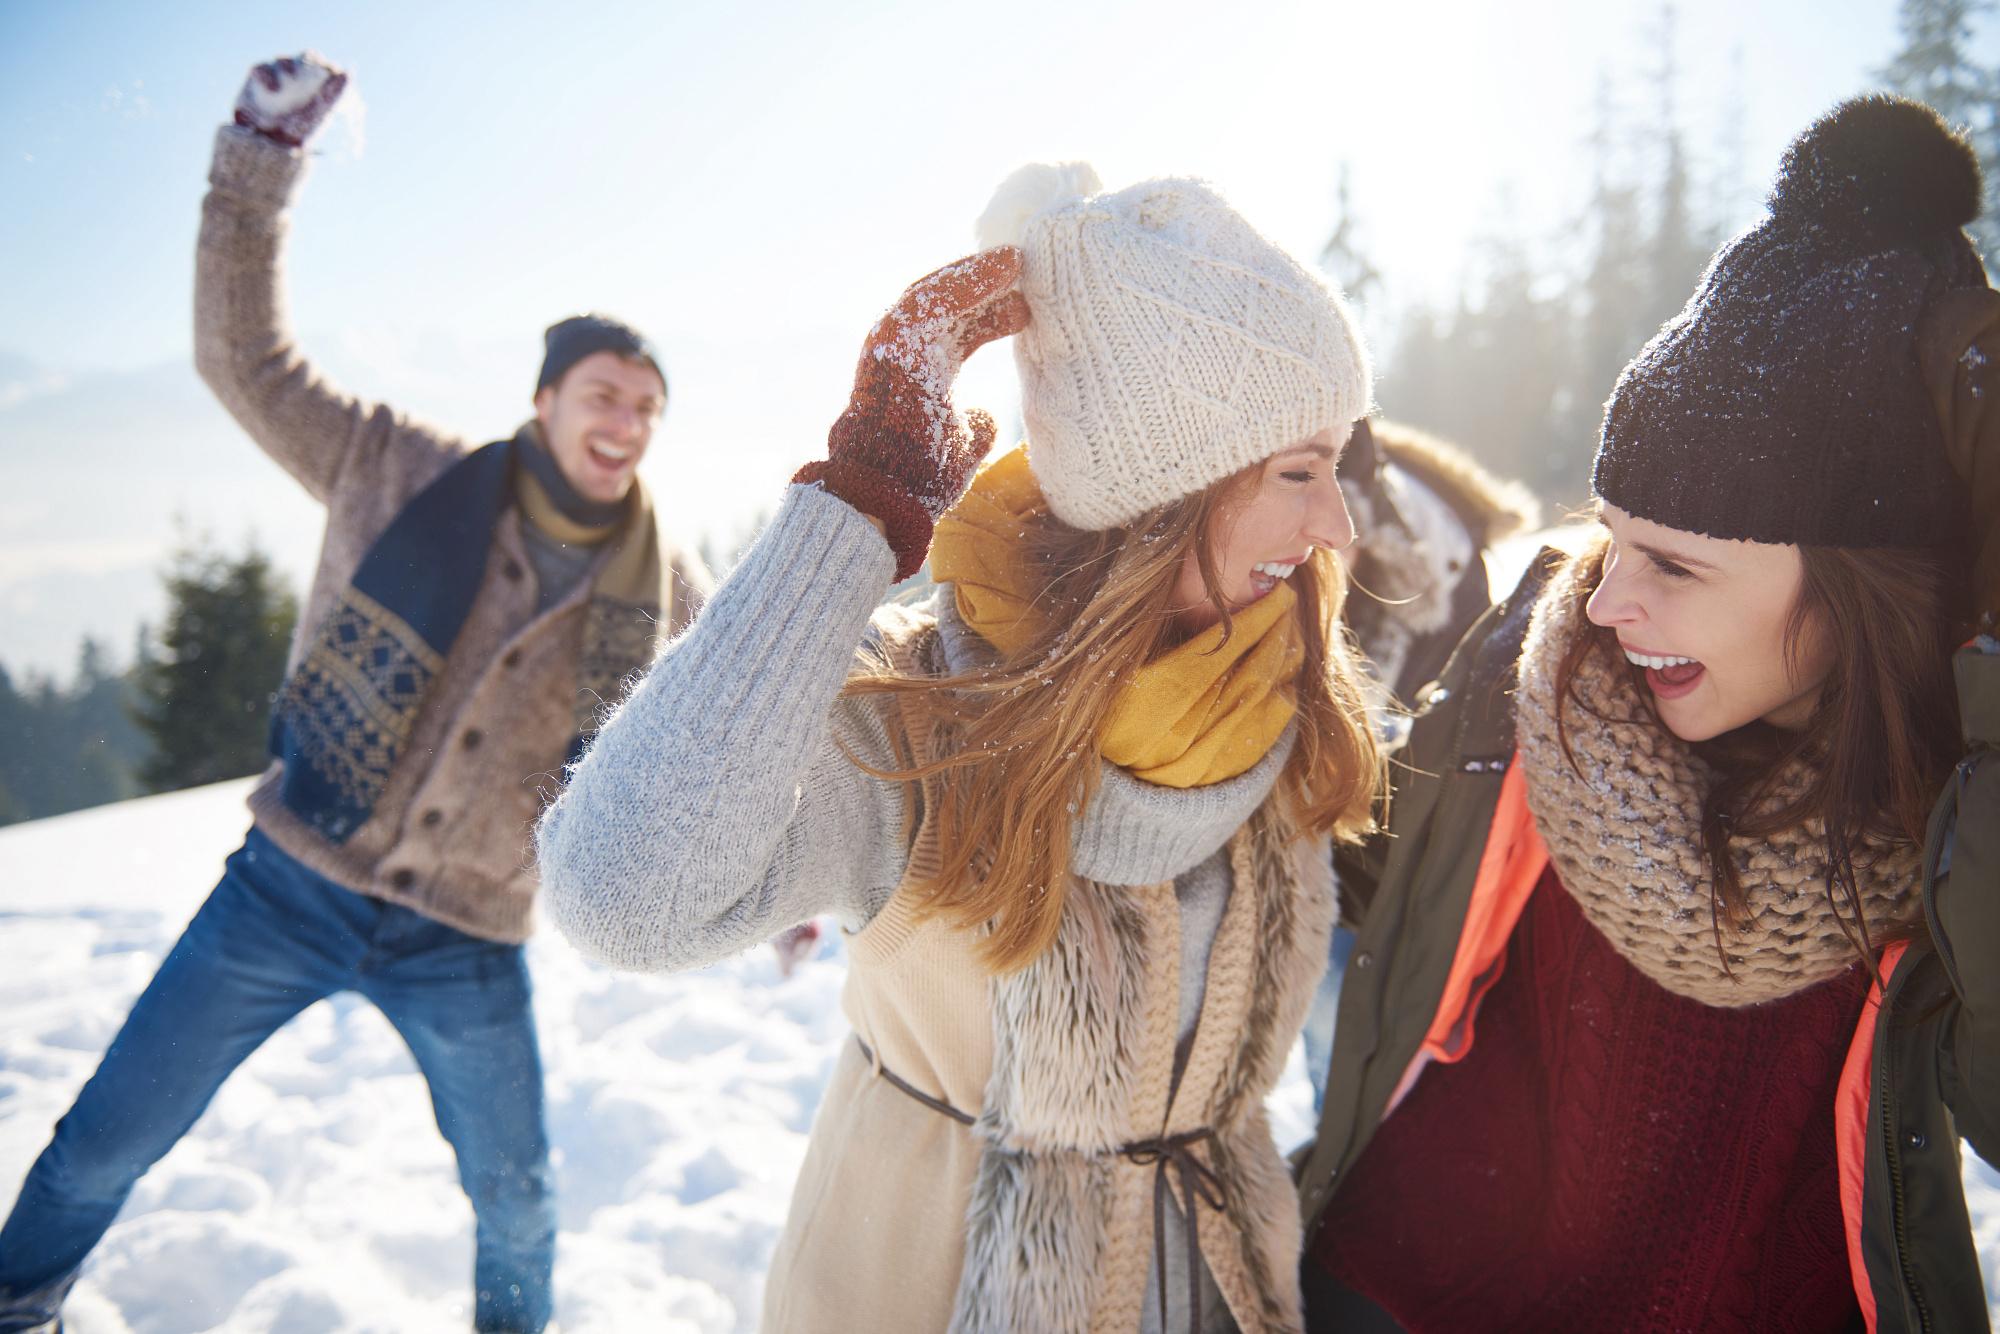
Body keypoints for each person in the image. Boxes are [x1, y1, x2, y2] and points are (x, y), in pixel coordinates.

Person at [536, 162, 1384, 1333]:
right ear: (1165, 492)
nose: (1336, 521)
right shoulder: (923, 713)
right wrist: (856, 507)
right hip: (917, 1286)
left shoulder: (1296, 692)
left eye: (1336, 463)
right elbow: (620, 894)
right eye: (1298, 471)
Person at [0, 53, 707, 1334]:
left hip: (471, 932)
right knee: (103, 1141)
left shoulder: (669, 588)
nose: (628, 423)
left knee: (521, 1204)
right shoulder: (393, 466)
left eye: (649, 408)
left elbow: (748, 711)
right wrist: (257, 164)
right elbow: (245, 360)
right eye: (606, 393)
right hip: (292, 881)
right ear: (543, 399)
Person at [1294, 95, 2000, 1333]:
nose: (1606, 598)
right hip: (1396, 1285)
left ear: (1856, 593)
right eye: (1611, 539)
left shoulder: (1951, 809)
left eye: (1674, 564)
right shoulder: (1539, 675)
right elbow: (1352, 876)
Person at [1300, 417, 1538, 1105]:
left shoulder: (1437, 581)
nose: (1308, 550)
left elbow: (1449, 751)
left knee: (1350, 1016)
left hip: (1393, 857)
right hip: (1312, 841)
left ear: (1359, 517)